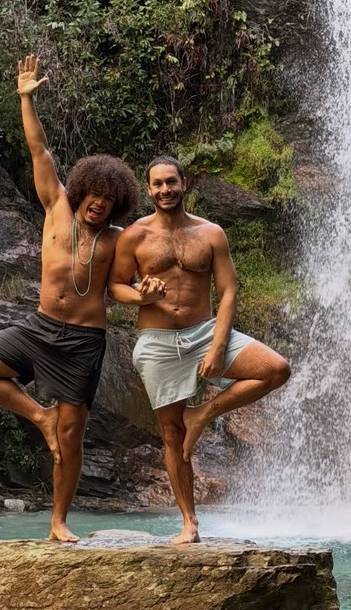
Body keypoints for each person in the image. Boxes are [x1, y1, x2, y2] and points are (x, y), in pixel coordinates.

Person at [0, 54, 140, 543]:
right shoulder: (56, 207)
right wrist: (26, 97)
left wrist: (147, 292)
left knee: (72, 439)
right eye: (94, 193)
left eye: (109, 198)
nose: (99, 202)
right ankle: (40, 416)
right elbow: (40, 151)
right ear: (81, 191)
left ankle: (57, 523)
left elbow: (126, 282)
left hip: (82, 342)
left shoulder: (120, 238)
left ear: (118, 203)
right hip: (37, 328)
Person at [109, 155, 290, 544]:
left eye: (171, 182)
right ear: (148, 189)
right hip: (157, 341)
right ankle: (189, 523)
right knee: (170, 434)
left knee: (276, 369)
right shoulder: (134, 236)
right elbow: (116, 286)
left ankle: (202, 413)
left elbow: (228, 291)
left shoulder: (211, 234)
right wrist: (141, 294)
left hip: (206, 331)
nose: (164, 190)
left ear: (184, 183)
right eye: (157, 184)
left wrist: (219, 343)